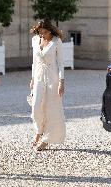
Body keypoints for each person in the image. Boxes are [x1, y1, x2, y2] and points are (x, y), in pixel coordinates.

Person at [29, 20, 66, 151]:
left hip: (52, 78)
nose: (42, 35)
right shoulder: (35, 40)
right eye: (40, 32)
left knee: (51, 109)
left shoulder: (56, 41)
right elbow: (34, 61)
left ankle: (46, 140)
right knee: (35, 106)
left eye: (44, 32)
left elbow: (61, 63)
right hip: (38, 76)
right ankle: (38, 131)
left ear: (50, 31)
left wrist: (61, 82)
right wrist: (32, 78)